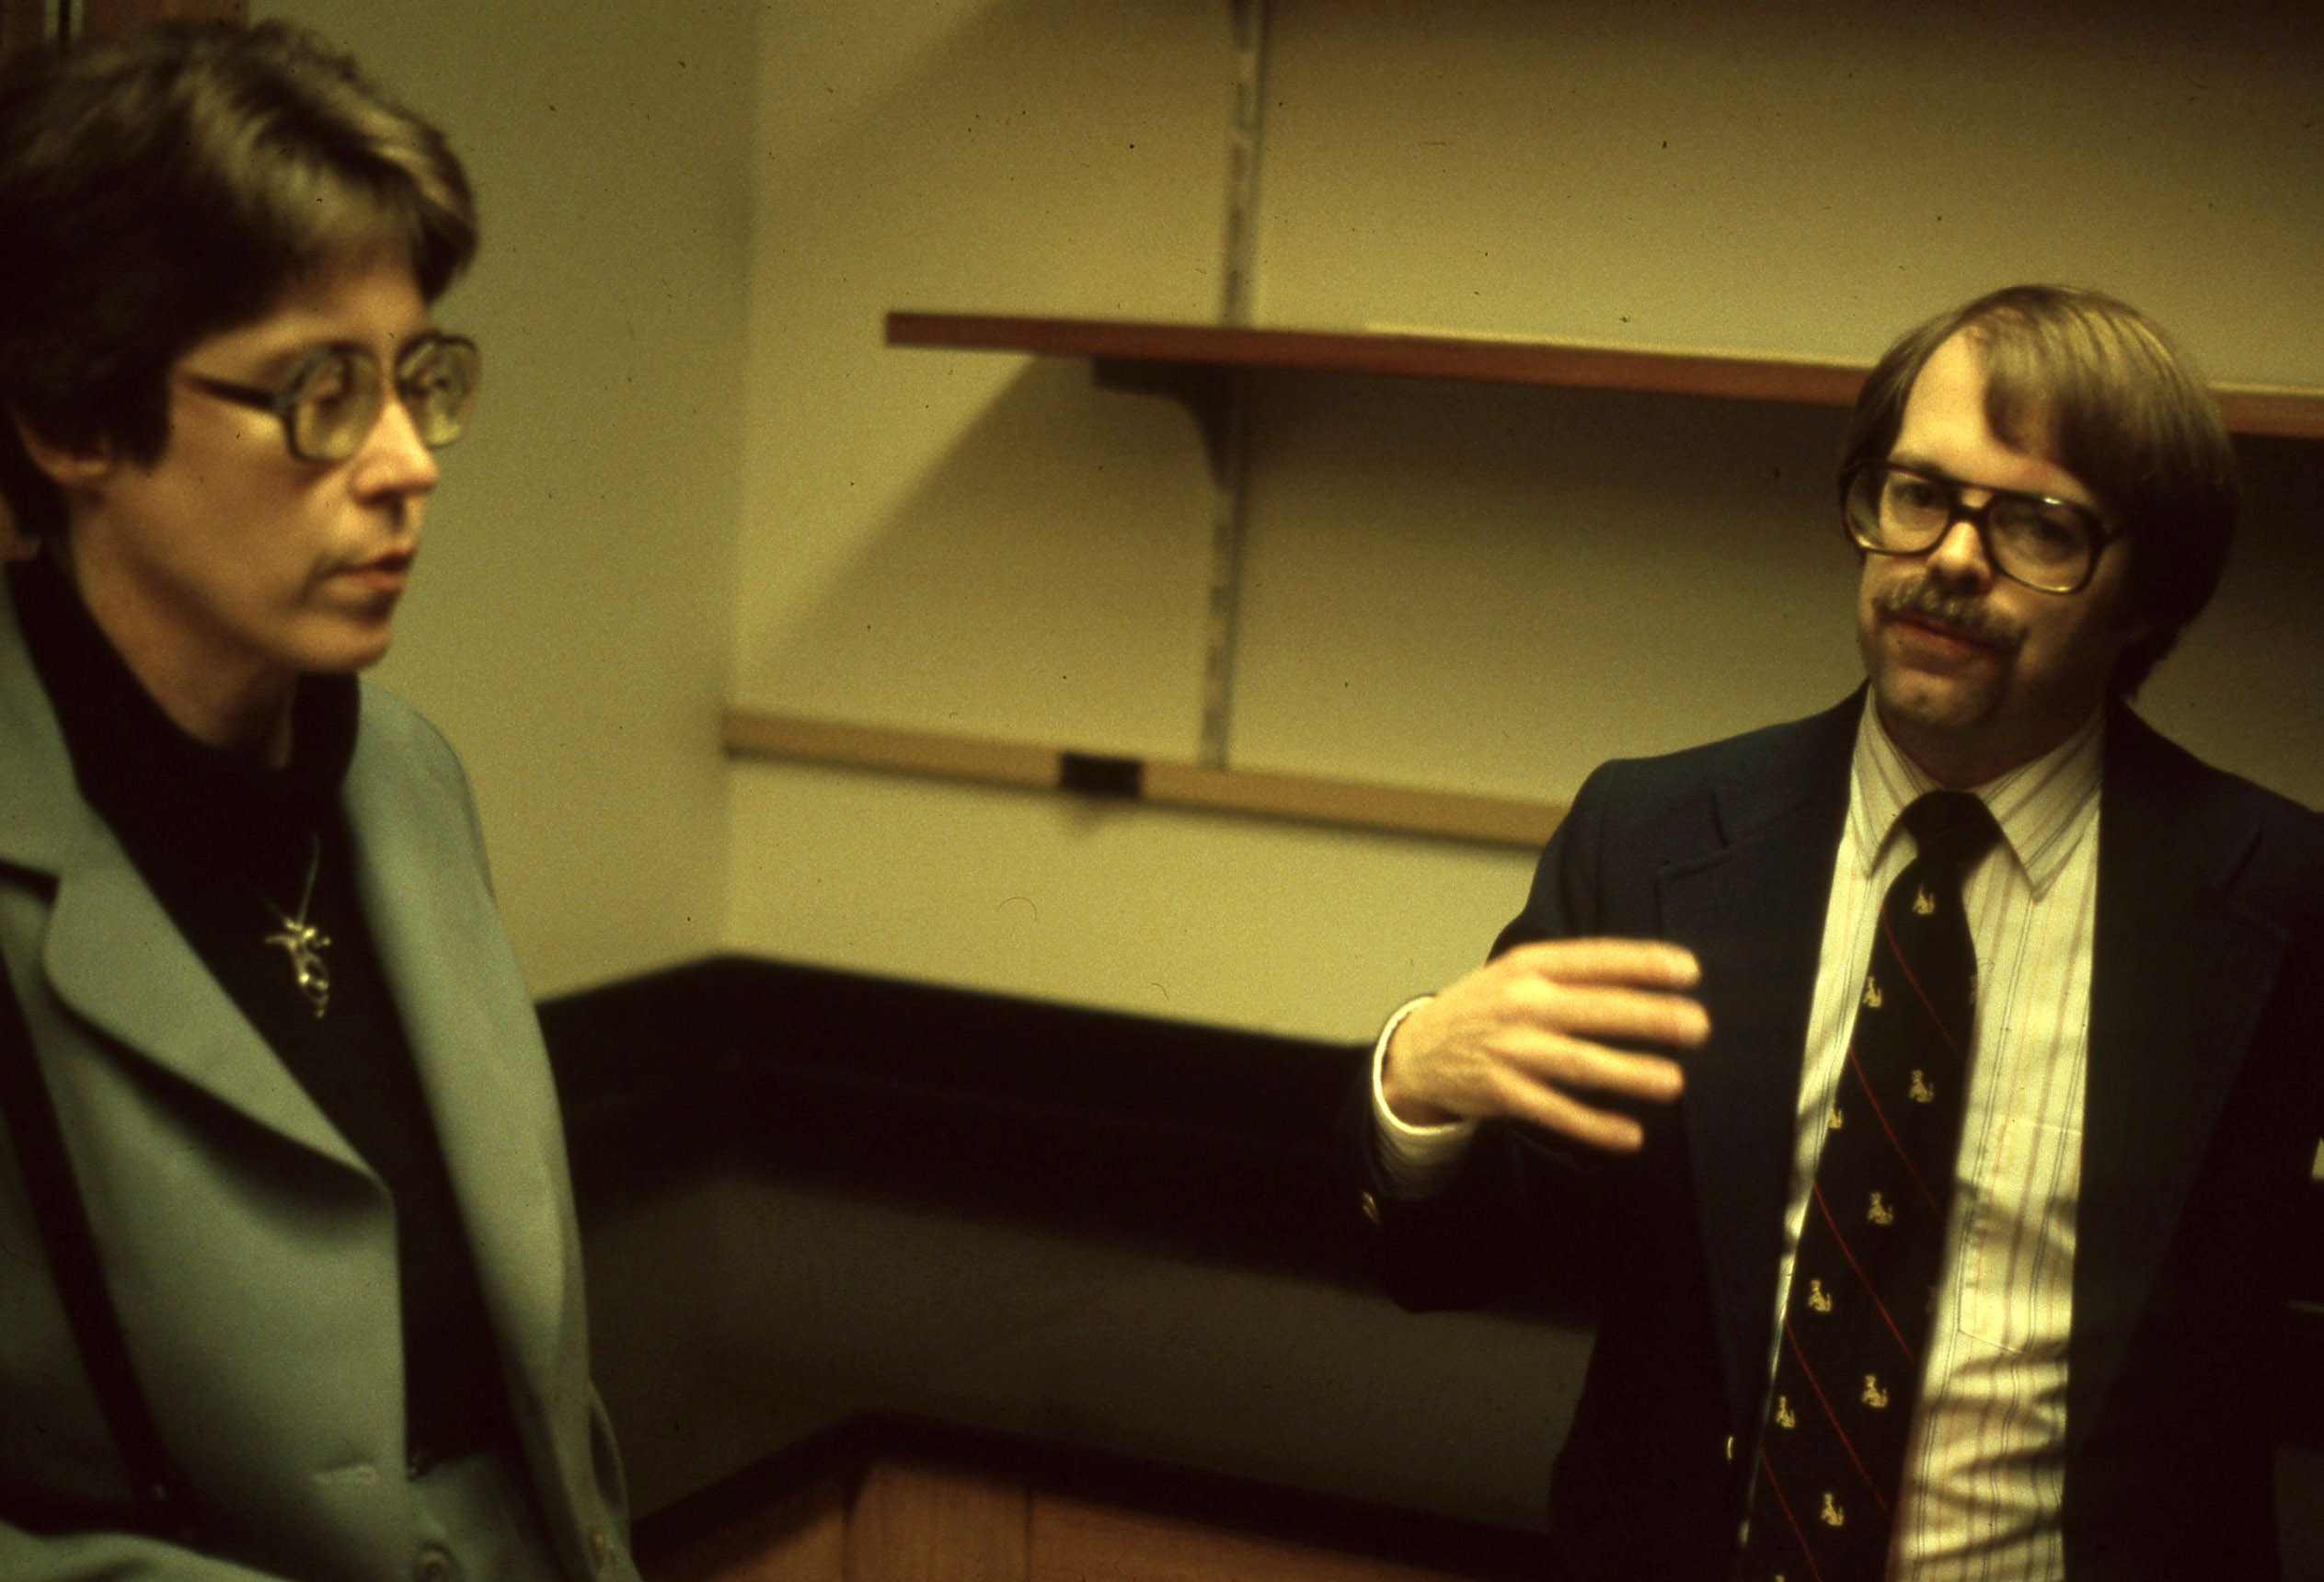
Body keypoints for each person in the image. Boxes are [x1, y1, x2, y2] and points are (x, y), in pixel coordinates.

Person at [1354, 284, 2324, 1580]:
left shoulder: (2273, 900)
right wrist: (1417, 1089)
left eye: (2036, 525)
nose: (1951, 558)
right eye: (1917, 494)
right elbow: (1455, 1265)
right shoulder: (1653, 842)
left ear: (2147, 592)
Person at [0, 23, 639, 1581]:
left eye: (417, 381)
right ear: (72, 420)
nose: (409, 462)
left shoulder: (404, 775)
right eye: (321, 392)